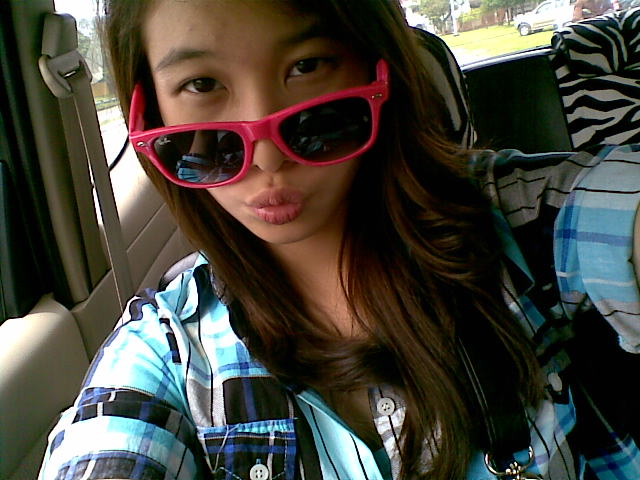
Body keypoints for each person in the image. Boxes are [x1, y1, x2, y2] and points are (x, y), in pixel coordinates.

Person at [39, 1, 640, 479]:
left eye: (306, 66)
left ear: (375, 66)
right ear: (153, 114)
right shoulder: (167, 350)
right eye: (200, 82)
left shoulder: (528, 218)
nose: (268, 156)